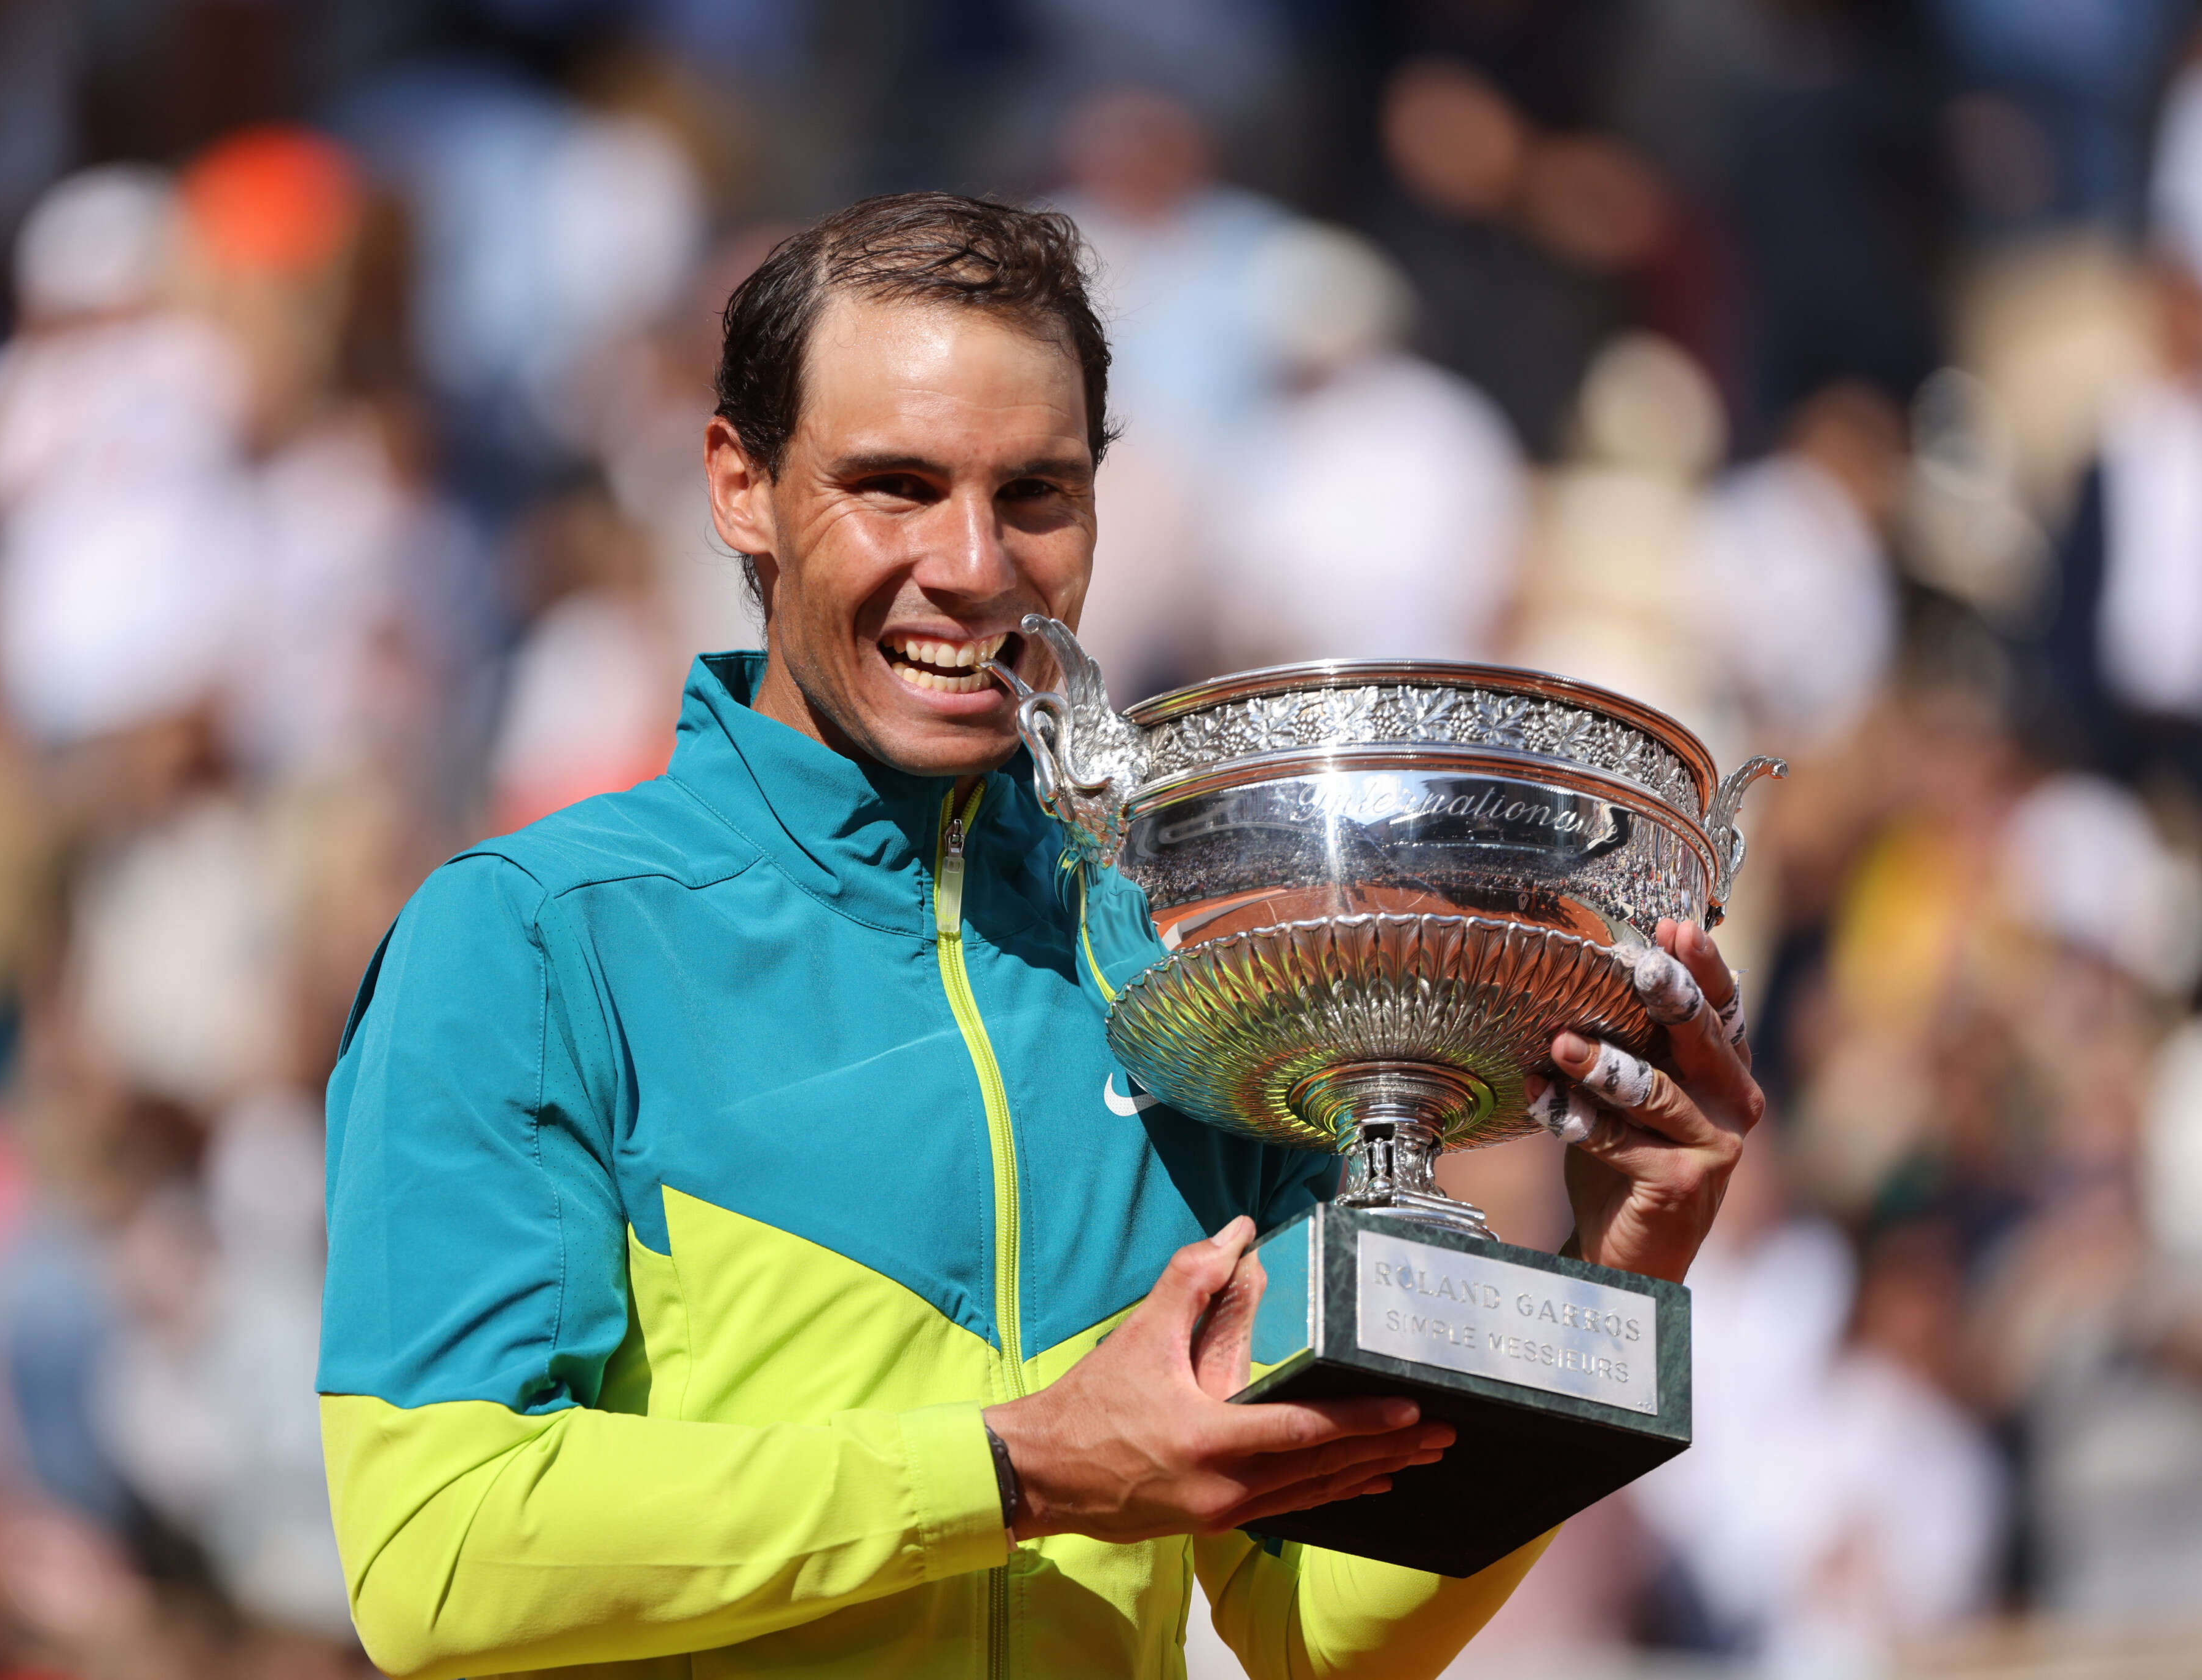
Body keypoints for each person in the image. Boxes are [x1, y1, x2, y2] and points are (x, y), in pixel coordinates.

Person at [317, 193, 1765, 1678]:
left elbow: (1313, 1628)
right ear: (737, 486)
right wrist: (1018, 1470)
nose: (971, 566)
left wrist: (1603, 1280)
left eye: (1033, 495)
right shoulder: (534, 939)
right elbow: (437, 1547)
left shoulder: (1185, 968)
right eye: (891, 486)